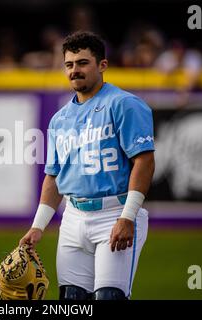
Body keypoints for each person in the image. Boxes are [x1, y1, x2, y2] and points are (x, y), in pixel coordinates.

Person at [19, 31, 155, 300]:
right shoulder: (60, 119)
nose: (74, 70)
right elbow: (53, 177)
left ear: (102, 65)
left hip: (114, 214)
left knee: (108, 297)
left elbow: (145, 160)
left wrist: (128, 216)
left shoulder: (124, 104)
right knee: (71, 299)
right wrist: (38, 226)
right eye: (69, 65)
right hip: (72, 218)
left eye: (82, 63)